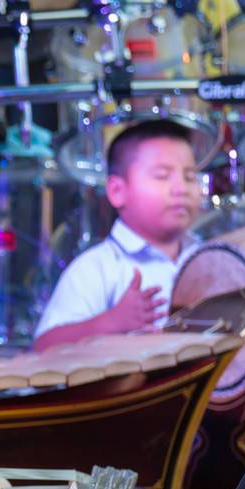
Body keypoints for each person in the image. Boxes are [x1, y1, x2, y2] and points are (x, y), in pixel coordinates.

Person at [32, 120, 201, 352]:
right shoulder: (97, 267)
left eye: (190, 177)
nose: (181, 188)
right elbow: (44, 347)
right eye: (162, 176)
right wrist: (111, 322)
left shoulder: (209, 258)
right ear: (117, 191)